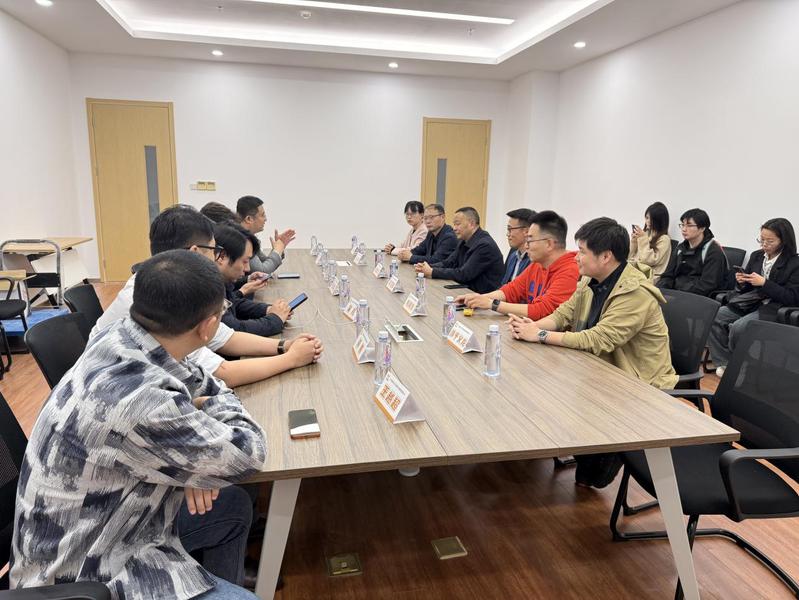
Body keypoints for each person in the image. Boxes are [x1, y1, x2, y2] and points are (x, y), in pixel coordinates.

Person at [12, 250, 266, 599]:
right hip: (87, 572)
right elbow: (249, 453)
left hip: (107, 524)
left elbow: (195, 378)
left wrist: (200, 466)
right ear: (208, 327)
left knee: (232, 505)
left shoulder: (120, 336)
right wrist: (210, 423)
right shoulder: (143, 402)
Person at [507, 217, 677, 488]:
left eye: (582, 251)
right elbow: (563, 314)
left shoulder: (636, 292)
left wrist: (539, 335)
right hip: (597, 370)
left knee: (592, 479)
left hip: (636, 384)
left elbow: (599, 339)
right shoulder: (590, 280)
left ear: (606, 256)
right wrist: (533, 326)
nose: (576, 257)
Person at [93, 205, 322, 388]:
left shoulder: (162, 283)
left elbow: (225, 338)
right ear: (195, 253)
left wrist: (286, 345)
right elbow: (222, 373)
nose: (217, 258)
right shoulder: (161, 298)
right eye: (214, 251)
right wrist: (291, 358)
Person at [708, 218, 799, 377]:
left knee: (739, 327)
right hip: (750, 302)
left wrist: (764, 283)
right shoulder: (757, 256)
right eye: (762, 240)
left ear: (784, 241)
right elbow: (747, 288)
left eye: (770, 241)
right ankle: (725, 363)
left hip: (775, 308)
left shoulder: (795, 263)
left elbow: (792, 297)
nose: (764, 245)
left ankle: (739, 365)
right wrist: (742, 281)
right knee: (715, 316)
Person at [455, 211, 578, 319]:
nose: (526, 246)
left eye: (530, 240)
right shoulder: (538, 265)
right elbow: (511, 290)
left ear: (549, 244)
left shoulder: (570, 271)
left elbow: (542, 310)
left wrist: (491, 304)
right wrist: (479, 298)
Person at [213, 222, 291, 337]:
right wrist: (275, 319)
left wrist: (268, 310)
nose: (248, 268)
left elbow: (233, 303)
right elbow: (235, 330)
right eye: (245, 261)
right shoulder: (207, 286)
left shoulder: (220, 281)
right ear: (222, 257)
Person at [414, 207, 504, 294]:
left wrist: (432, 272)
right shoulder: (463, 240)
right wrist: (426, 267)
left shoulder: (484, 245)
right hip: (466, 290)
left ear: (472, 224)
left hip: (483, 297)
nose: (454, 228)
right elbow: (449, 263)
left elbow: (464, 274)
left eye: (457, 224)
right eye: (454, 224)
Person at [657, 208, 727, 296]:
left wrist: (678, 293)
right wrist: (661, 291)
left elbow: (707, 285)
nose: (684, 229)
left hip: (698, 297)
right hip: (677, 293)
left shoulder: (713, 251)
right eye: (682, 225)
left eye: (689, 225)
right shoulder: (680, 249)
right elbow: (667, 275)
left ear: (702, 228)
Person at [236, 195, 295, 275]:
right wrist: (277, 251)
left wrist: (278, 248)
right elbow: (262, 271)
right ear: (249, 219)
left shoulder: (248, 237)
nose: (265, 219)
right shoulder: (241, 239)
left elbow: (265, 263)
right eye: (262, 215)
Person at [629, 201, 672, 284]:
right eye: (646, 218)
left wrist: (642, 239)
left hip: (649, 277)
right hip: (637, 273)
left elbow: (648, 260)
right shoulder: (646, 234)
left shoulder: (664, 239)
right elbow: (630, 256)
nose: (647, 221)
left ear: (659, 220)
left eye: (651, 219)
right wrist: (634, 241)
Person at [501, 208, 536, 285]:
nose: (508, 234)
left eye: (510, 229)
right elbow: (503, 287)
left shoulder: (535, 261)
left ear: (526, 231)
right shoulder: (513, 256)